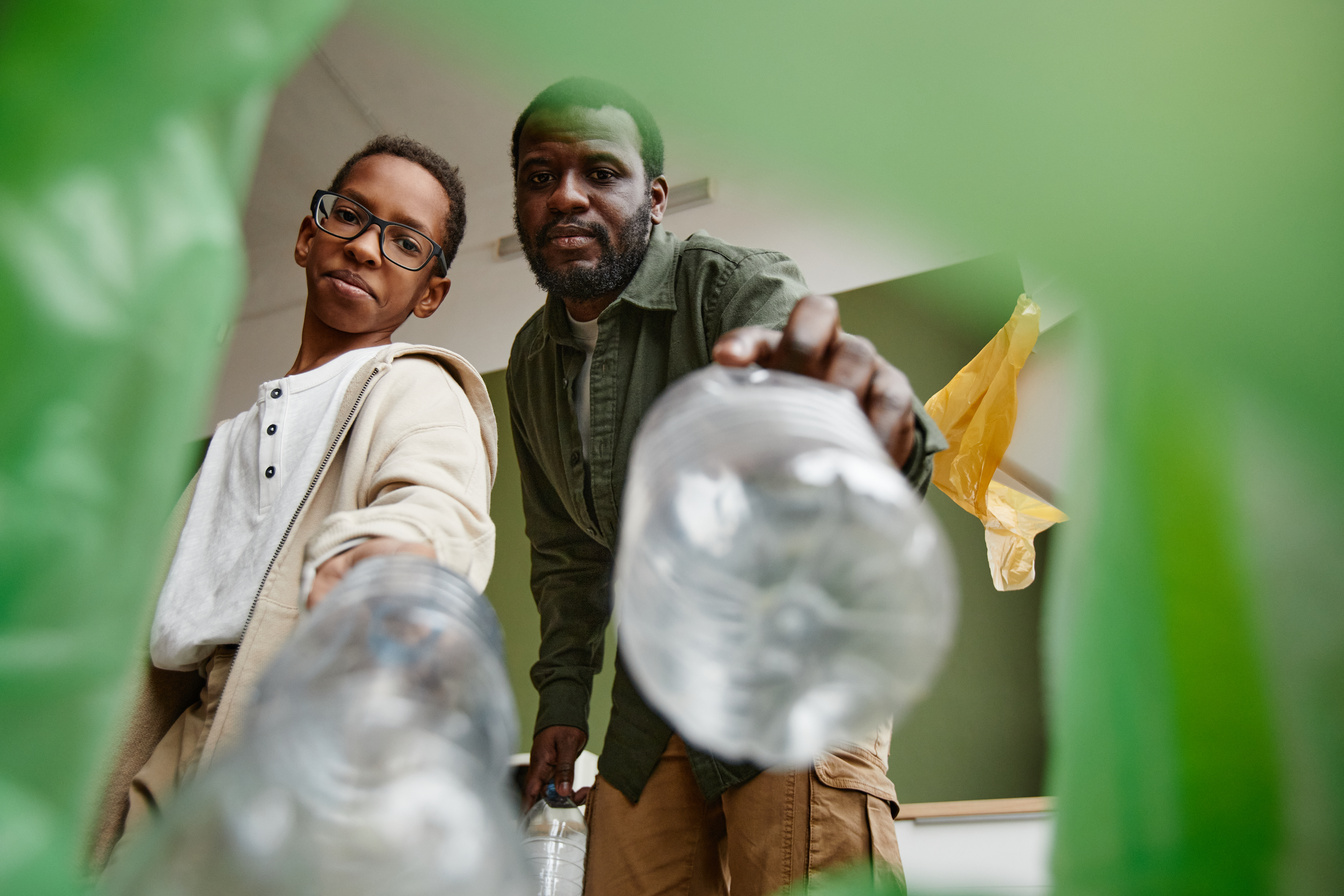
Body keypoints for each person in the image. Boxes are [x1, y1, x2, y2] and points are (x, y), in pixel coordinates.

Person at [507, 78, 946, 896]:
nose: (566, 195)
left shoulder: (733, 286)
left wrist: (866, 438)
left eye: (601, 172)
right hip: (652, 696)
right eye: (539, 176)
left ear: (655, 196)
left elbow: (821, 409)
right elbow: (565, 554)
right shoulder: (531, 361)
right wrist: (563, 700)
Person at [89, 135, 497, 866]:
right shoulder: (229, 440)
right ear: (310, 236)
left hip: (288, 738)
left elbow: (438, 502)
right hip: (179, 740)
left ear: (431, 293)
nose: (369, 248)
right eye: (352, 217)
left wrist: (401, 552)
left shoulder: (417, 388)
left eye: (406, 242)